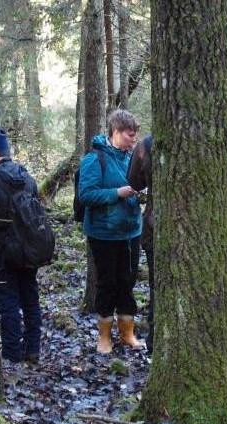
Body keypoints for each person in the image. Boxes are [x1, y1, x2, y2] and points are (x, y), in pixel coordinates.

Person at [78, 109, 144, 354]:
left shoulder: (130, 158)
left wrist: (140, 195)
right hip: (104, 234)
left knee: (127, 282)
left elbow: (137, 184)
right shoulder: (95, 159)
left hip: (131, 232)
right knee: (107, 283)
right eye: (129, 135)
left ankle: (127, 334)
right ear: (115, 131)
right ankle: (104, 337)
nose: (133, 140)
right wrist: (117, 193)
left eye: (135, 135)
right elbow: (85, 195)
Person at [0, 128, 44, 364]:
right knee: (30, 299)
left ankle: (11, 355)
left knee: (8, 304)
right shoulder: (26, 177)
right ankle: (33, 349)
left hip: (2, 253)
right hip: (29, 250)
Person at [127, 135, 155, 353]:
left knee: (157, 286)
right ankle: (154, 341)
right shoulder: (144, 147)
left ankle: (154, 341)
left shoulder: (146, 146)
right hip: (158, 228)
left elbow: (134, 181)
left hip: (155, 225)